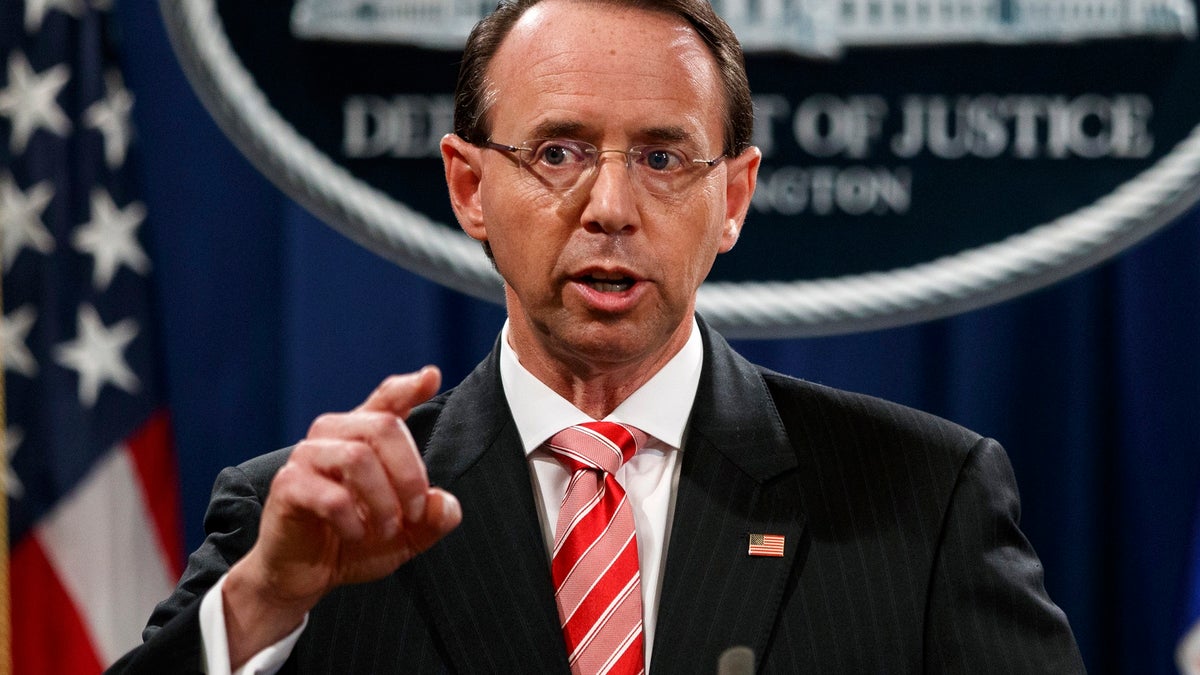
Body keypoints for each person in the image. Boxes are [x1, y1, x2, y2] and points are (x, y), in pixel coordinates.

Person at [110, 0, 1085, 672]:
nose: (610, 206)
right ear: (469, 188)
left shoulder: (923, 503)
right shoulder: (307, 528)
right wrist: (260, 605)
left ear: (733, 196)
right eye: (558, 152)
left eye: (662, 156)